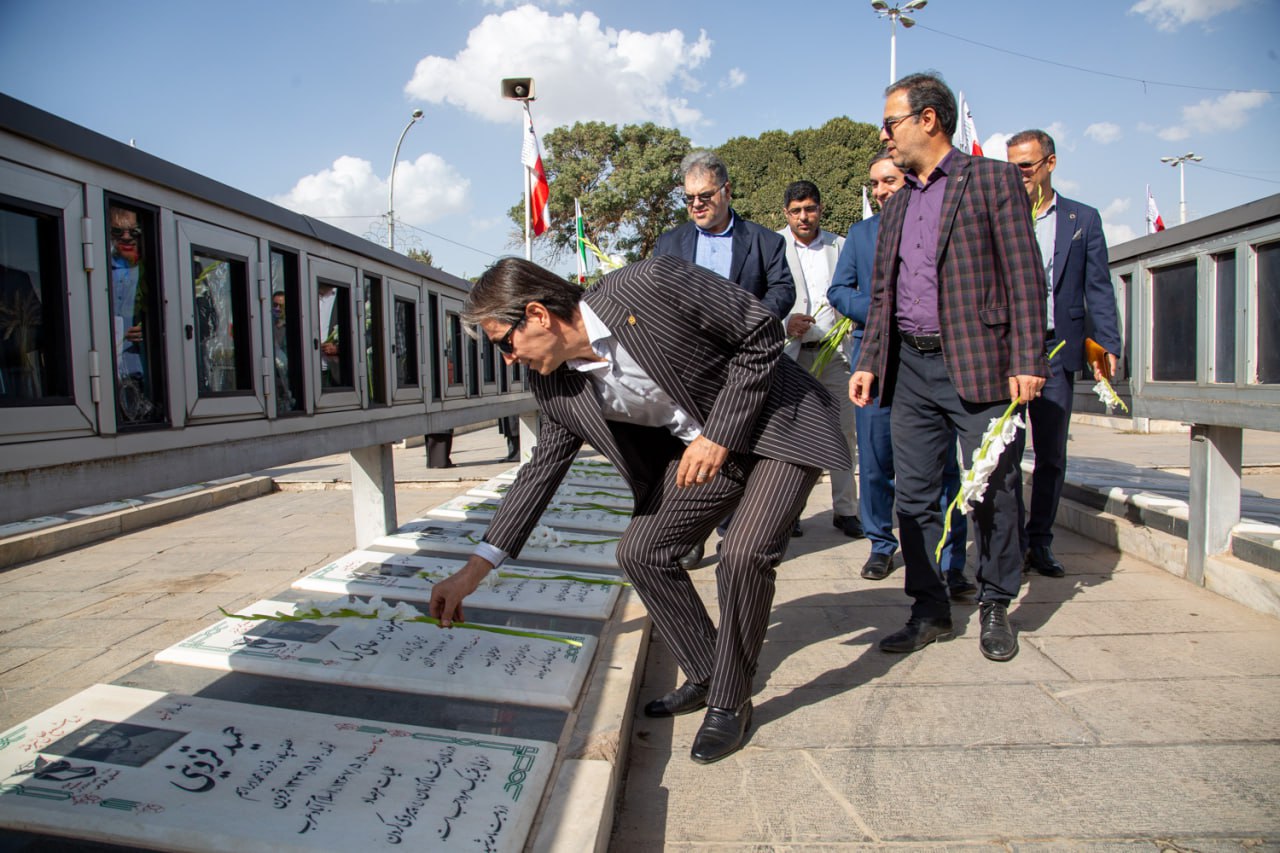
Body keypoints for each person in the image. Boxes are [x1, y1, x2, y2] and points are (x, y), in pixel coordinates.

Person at [428, 255, 848, 764]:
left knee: (742, 553)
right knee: (642, 551)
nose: (509, 359)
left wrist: (719, 434)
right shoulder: (554, 382)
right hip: (705, 451)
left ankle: (730, 699)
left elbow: (760, 333)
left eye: (504, 343)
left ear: (537, 314)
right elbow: (541, 472)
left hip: (780, 424)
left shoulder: (651, 284)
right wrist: (474, 571)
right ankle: (709, 672)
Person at [850, 72, 1048, 663]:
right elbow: (882, 294)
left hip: (981, 367)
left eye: (891, 122)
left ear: (928, 120)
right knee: (912, 498)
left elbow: (1024, 275)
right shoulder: (897, 203)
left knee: (993, 492)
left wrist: (1027, 358)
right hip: (910, 371)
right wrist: (869, 361)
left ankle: (995, 603)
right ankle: (929, 609)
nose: (884, 135)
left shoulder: (991, 181)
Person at [828, 154, 974, 597]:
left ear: (910, 179)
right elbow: (839, 290)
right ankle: (880, 543)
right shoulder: (861, 234)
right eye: (875, 183)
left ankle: (951, 560)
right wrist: (881, 311)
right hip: (874, 363)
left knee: (943, 467)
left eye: (888, 181)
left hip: (932, 362)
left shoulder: (939, 224)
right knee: (875, 461)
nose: (881, 191)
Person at [654, 149, 796, 569]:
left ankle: (736, 534)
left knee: (737, 449)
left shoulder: (765, 241)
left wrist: (750, 323)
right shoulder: (670, 243)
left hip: (744, 366)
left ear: (727, 191)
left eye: (705, 196)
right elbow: (657, 296)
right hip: (691, 370)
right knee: (689, 449)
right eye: (689, 199)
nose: (696, 205)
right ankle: (690, 533)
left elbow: (783, 290)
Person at [1005, 129, 1123, 578]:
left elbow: (1099, 287)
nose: (1018, 176)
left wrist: (1107, 342)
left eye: (1025, 167)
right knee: (1006, 453)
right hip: (1009, 352)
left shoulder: (1082, 219)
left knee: (1051, 454)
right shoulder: (1000, 216)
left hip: (1058, 349)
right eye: (1011, 168)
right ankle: (1012, 545)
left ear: (1049, 164)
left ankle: (1040, 541)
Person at [776, 180, 862, 540]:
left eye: (810, 208)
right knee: (793, 435)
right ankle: (790, 512)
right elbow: (761, 299)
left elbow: (855, 291)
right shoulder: (773, 246)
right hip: (792, 357)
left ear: (820, 209)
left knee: (844, 432)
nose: (804, 216)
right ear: (786, 213)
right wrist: (785, 323)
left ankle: (846, 510)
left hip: (835, 356)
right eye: (796, 211)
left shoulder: (840, 245)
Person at [108, 205, 162, 425]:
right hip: (110, 371)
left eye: (134, 231)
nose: (127, 237)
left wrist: (148, 330)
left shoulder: (153, 270)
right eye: (117, 231)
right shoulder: (100, 270)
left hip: (143, 371)